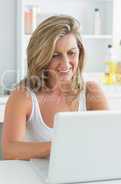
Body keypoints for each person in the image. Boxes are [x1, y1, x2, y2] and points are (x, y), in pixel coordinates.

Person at [2, 15, 108, 160]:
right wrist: (61, 146)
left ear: (80, 54)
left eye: (71, 53)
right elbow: (10, 150)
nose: (65, 63)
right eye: (55, 55)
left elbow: (108, 141)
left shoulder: (91, 92)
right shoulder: (23, 95)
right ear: (41, 57)